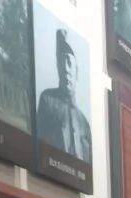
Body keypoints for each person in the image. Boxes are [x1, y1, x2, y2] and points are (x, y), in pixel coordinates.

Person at [36, 30, 92, 163]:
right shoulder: (47, 100)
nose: (65, 69)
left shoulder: (84, 123)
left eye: (69, 63)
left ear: (76, 71)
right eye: (61, 62)